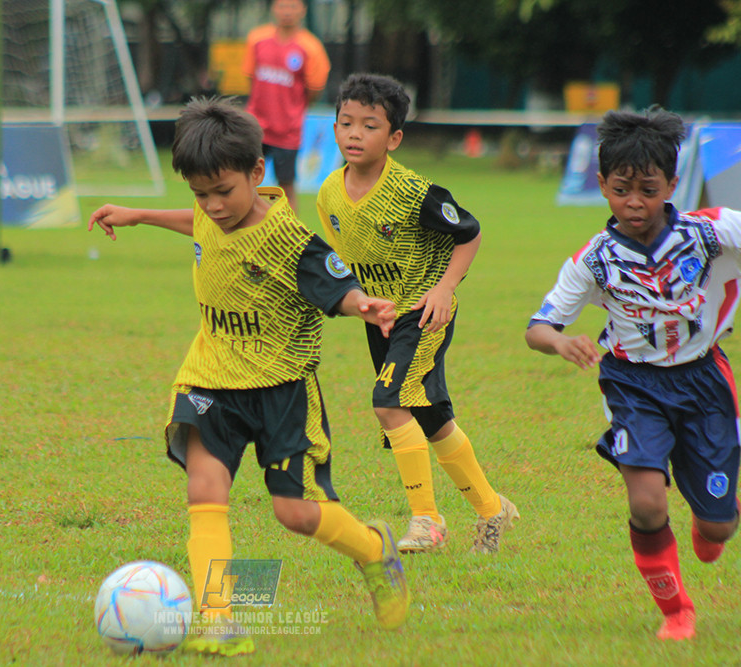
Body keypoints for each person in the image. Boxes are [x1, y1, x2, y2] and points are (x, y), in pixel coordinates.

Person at [89, 98, 409, 656]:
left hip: (281, 387)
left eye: (223, 191)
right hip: (210, 378)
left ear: (256, 174)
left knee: (296, 513)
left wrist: (365, 306)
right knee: (204, 489)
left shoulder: (288, 239)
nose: (212, 206)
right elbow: (198, 225)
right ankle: (219, 619)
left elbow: (335, 285)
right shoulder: (211, 213)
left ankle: (372, 548)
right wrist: (140, 214)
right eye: (200, 193)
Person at [525, 107, 741, 642]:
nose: (635, 202)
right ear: (601, 185)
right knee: (646, 502)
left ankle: (710, 517)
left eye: (648, 188)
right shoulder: (595, 260)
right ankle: (677, 612)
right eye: (622, 189)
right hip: (633, 385)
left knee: (718, 528)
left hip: (704, 381)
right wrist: (560, 340)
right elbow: (538, 325)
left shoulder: (711, 232)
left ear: (672, 183)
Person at [316, 73, 518, 555]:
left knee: (388, 402)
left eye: (369, 125)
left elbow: (469, 233)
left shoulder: (413, 192)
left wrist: (445, 289)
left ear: (394, 137)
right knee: (430, 419)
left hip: (422, 313)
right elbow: (343, 256)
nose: (354, 134)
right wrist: (359, 303)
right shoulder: (328, 193)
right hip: (381, 317)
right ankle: (493, 510)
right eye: (346, 123)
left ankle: (426, 521)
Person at [243, 0, 330, 214]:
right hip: (255, 127)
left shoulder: (311, 47)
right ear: (273, 9)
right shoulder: (257, 38)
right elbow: (249, 77)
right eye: (282, 6)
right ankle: (243, 231)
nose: (287, 12)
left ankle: (292, 239)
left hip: (287, 131)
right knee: (243, 180)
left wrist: (292, 109)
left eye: (292, 7)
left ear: (302, 11)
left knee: (287, 186)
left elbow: (314, 88)